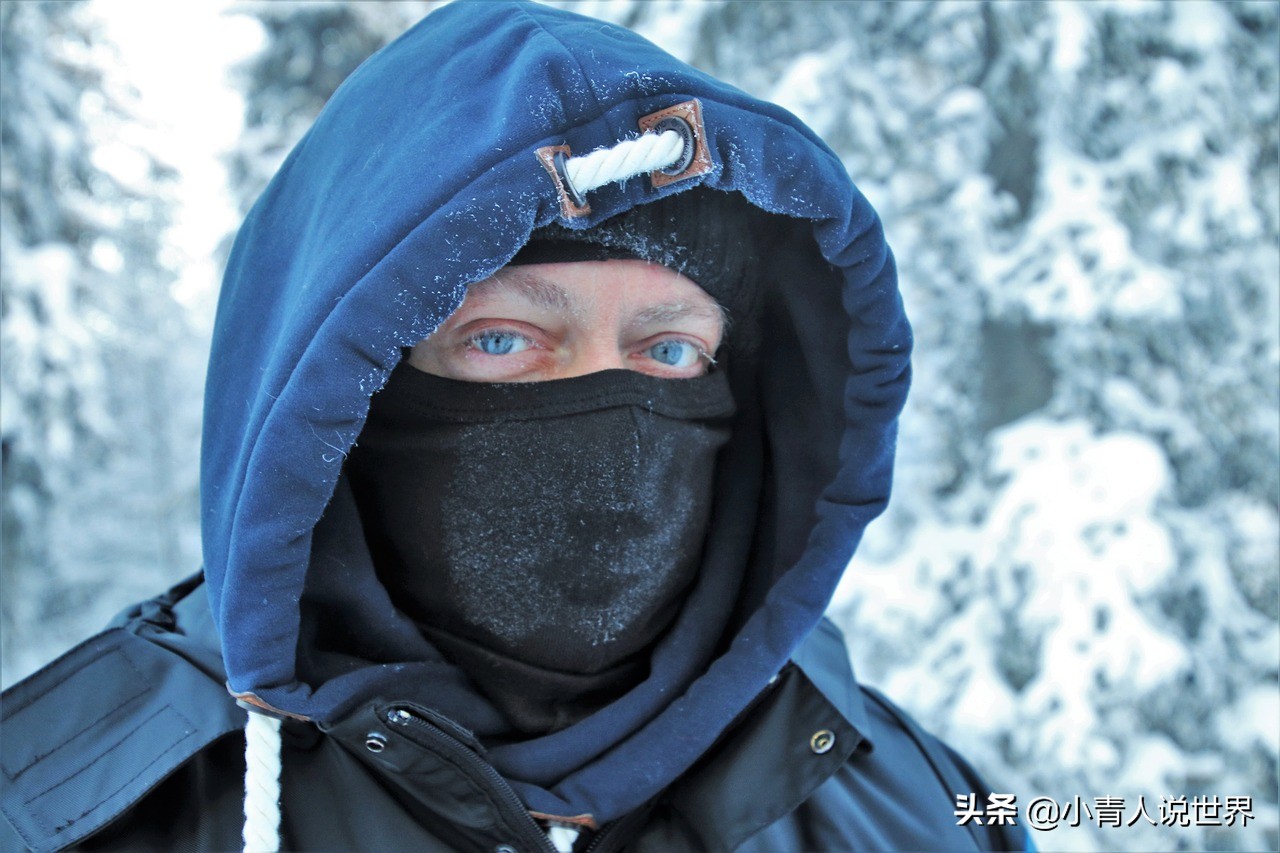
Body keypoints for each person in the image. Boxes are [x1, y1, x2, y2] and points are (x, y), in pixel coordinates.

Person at [0, 3, 1029, 851]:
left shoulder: (915, 806)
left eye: (667, 351)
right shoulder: (66, 807)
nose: (616, 427)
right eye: (502, 339)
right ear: (338, 395)